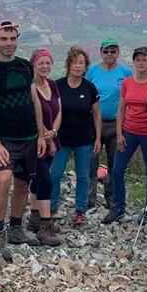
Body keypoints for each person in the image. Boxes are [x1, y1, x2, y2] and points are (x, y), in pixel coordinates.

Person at [0, 20, 46, 259]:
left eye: (13, 39)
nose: (9, 43)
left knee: (23, 184)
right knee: (3, 180)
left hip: (29, 136)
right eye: (4, 39)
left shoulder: (25, 66)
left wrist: (40, 134)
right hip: (5, 137)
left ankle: (16, 229)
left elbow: (35, 100)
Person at [104, 47, 147, 224]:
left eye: (144, 59)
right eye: (138, 60)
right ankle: (118, 207)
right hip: (129, 131)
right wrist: (119, 134)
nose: (141, 63)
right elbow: (121, 109)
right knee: (117, 170)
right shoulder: (127, 82)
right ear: (134, 62)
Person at [50, 45, 102, 226]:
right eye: (75, 62)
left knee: (82, 175)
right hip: (61, 138)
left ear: (86, 66)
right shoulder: (57, 85)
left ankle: (81, 211)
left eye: (81, 63)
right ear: (68, 65)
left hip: (84, 139)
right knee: (55, 173)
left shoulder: (90, 88)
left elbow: (96, 114)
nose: (78, 66)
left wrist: (98, 138)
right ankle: (50, 208)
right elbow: (51, 110)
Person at [86, 39, 132, 210]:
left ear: (118, 53)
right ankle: (89, 200)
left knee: (114, 163)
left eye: (113, 51)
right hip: (94, 123)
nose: (109, 54)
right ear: (101, 52)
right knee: (91, 161)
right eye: (106, 51)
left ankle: (112, 199)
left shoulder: (126, 72)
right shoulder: (93, 71)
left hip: (116, 124)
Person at [25, 48, 62, 245]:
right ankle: (44, 227)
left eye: (48, 63)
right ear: (34, 65)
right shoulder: (31, 87)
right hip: (36, 141)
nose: (45, 66)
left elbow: (58, 111)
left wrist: (54, 133)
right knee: (46, 180)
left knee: (40, 179)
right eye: (41, 63)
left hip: (51, 138)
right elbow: (34, 114)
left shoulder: (53, 85)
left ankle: (34, 217)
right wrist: (46, 138)